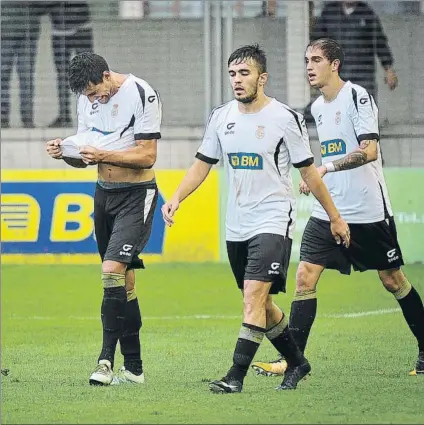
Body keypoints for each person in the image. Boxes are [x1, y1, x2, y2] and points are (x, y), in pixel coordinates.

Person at [161, 44, 350, 393]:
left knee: (253, 297)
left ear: (262, 78)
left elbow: (309, 173)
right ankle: (298, 361)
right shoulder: (220, 116)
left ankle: (234, 377)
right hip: (237, 223)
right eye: (232, 73)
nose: (237, 80)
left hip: (274, 218)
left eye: (244, 73)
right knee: (261, 303)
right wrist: (175, 198)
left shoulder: (285, 118)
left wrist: (335, 216)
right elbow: (202, 164)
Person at [251, 38, 424, 378]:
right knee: (304, 277)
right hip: (330, 211)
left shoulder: (357, 97)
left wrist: (325, 169)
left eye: (315, 60)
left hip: (368, 210)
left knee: (392, 280)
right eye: (306, 60)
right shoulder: (317, 108)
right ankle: (293, 360)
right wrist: (317, 177)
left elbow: (369, 150)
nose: (309, 67)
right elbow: (321, 157)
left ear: (335, 65)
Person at [45, 52, 162, 385]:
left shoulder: (142, 93)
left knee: (111, 272)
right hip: (103, 194)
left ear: (108, 75)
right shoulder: (87, 99)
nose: (95, 99)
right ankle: (135, 369)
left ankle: (105, 362)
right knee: (123, 284)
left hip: (136, 195)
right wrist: (64, 152)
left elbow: (147, 155)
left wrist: (103, 154)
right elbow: (86, 154)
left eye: (97, 91)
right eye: (89, 95)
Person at [311, 1, 398, 102]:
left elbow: (380, 42)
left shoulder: (367, 13)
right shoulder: (329, 13)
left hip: (363, 77)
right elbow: (317, 44)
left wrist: (388, 69)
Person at [47, 1, 94, 128]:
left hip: (78, 26)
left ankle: (88, 116)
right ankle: (65, 115)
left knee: (86, 74)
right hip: (63, 28)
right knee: (64, 75)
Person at [1, 1, 43, 128]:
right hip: (9, 31)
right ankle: (6, 118)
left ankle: (25, 118)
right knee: (5, 77)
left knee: (25, 77)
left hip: (26, 31)